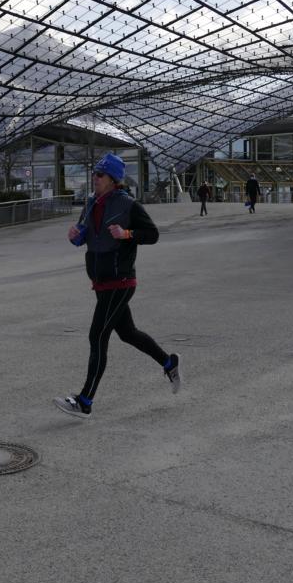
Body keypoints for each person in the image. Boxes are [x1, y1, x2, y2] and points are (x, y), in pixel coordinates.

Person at [55, 153, 182, 419]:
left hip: (120, 281)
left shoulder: (128, 205)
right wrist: (75, 236)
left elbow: (153, 234)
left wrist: (127, 234)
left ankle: (85, 401)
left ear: (113, 179)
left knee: (97, 335)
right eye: (94, 173)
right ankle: (169, 362)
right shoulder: (91, 203)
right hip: (101, 281)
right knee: (128, 333)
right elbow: (85, 236)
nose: (94, 178)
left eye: (100, 175)